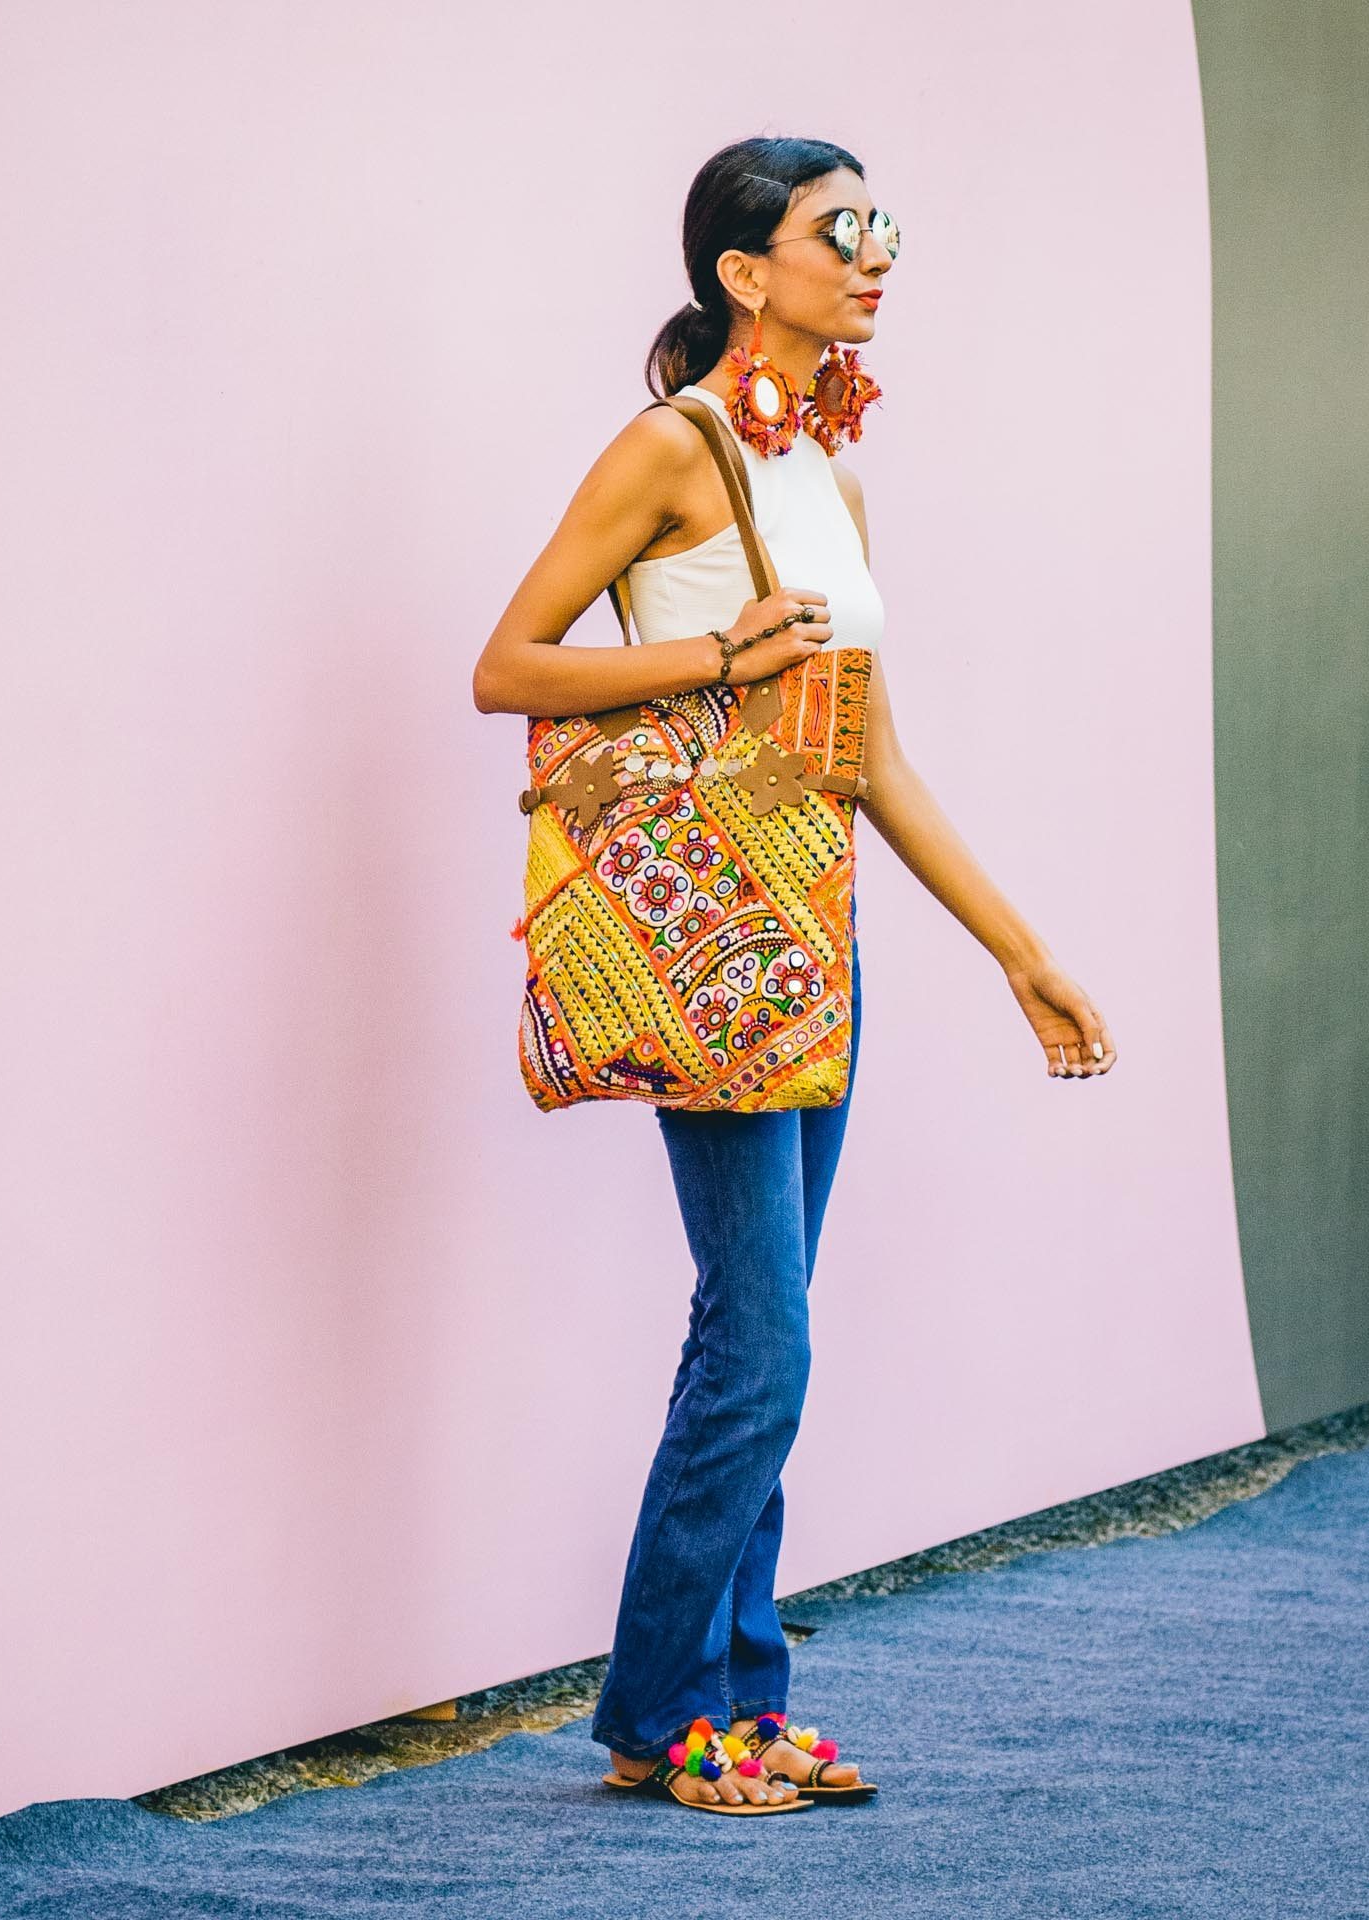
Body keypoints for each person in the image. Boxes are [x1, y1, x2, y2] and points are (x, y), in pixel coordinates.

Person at [470, 135, 1117, 1815]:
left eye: (882, 223)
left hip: (812, 938)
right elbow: (505, 663)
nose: (875, 251)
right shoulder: (669, 449)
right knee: (760, 1343)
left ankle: (737, 1705)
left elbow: (875, 762)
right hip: (709, 938)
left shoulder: (831, 475)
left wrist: (1021, 957)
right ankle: (664, 1711)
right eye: (843, 229)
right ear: (747, 274)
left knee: (767, 1333)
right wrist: (709, 653)